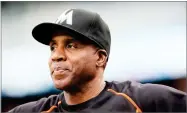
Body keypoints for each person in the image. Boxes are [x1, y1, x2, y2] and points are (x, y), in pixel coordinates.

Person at [9, 8, 186, 113]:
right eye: (53, 47)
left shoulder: (144, 100)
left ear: (100, 58)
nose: (56, 55)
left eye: (71, 45)